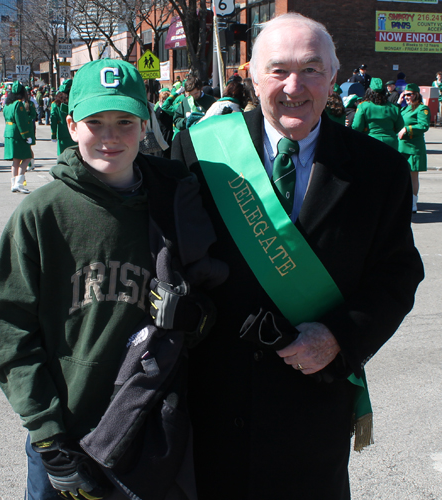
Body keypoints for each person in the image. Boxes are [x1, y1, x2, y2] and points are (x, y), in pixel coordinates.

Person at [172, 13, 424, 500]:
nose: (294, 86)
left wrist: (337, 336)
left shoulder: (377, 170)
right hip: (211, 405)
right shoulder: (199, 152)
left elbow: (397, 275)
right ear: (251, 76)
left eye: (311, 69)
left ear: (334, 76)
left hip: (311, 408)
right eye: (278, 70)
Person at [0, 58, 224, 500]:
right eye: (95, 122)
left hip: (150, 424)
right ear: (72, 125)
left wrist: (195, 315)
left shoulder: (176, 201)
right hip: (66, 429)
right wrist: (46, 433)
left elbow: (213, 291)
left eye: (124, 121)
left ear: (145, 122)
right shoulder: (43, 214)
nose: (110, 137)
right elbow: (9, 327)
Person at [398, 83, 431, 213]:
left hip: (413, 147)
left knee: (412, 176)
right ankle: (403, 201)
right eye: (404, 94)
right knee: (401, 176)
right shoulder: (405, 108)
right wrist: (398, 102)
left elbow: (424, 126)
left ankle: (413, 203)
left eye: (409, 94)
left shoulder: (422, 108)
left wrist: (408, 128)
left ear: (416, 95)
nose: (406, 97)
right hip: (401, 147)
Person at [352, 77, 404, 150]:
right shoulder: (393, 107)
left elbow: (357, 126)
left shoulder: (363, 106)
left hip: (370, 140)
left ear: (369, 91)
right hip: (390, 142)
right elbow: (400, 125)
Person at [3, 81, 33, 194]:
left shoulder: (7, 104)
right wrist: (26, 135)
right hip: (17, 133)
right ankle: (19, 183)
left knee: (16, 160)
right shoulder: (18, 104)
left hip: (9, 132)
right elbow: (21, 121)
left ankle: (13, 184)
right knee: (27, 157)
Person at [50, 80, 77, 155]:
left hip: (62, 133)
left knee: (63, 156)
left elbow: (53, 121)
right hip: (75, 131)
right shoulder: (75, 102)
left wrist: (53, 134)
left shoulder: (55, 104)